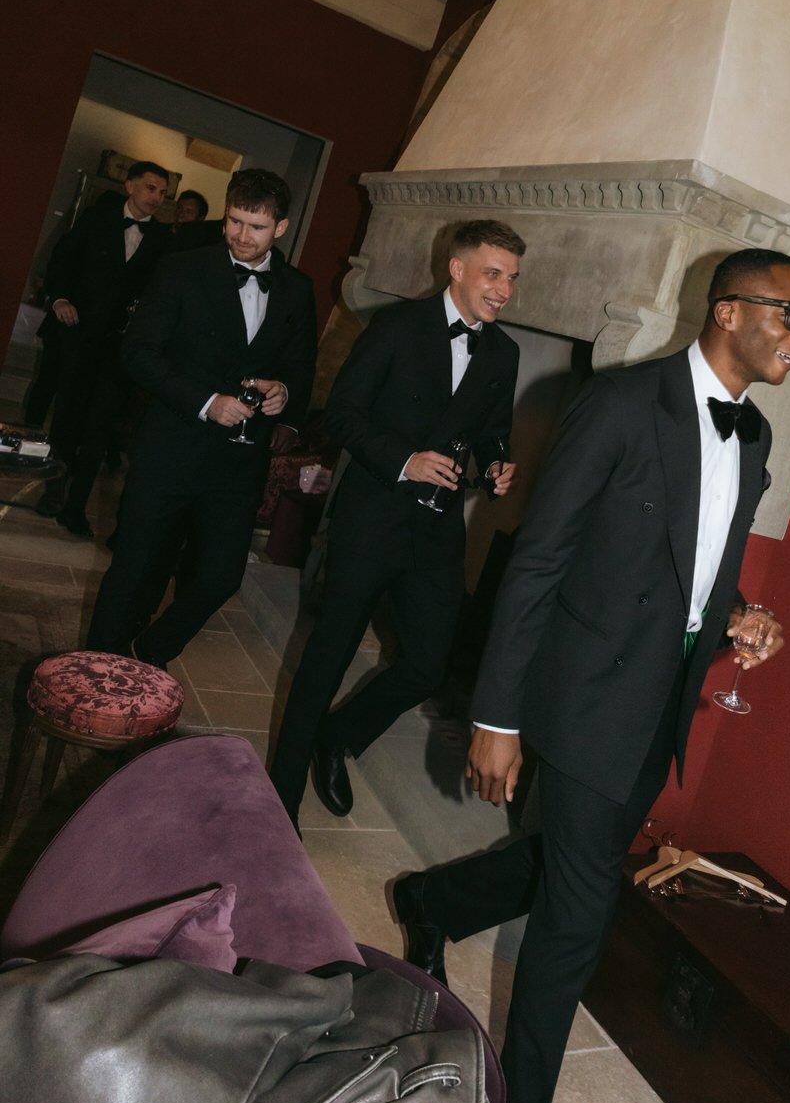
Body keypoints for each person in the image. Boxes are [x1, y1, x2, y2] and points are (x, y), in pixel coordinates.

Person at [389, 248, 790, 1103]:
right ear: (729, 310)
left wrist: (746, 615)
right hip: (584, 693)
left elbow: (708, 563)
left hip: (659, 702)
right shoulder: (624, 403)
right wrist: (497, 715)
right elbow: (539, 557)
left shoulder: (756, 436)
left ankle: (431, 899)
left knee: (566, 856)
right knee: (578, 915)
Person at [269, 219, 526, 830]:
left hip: (437, 532)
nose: (504, 291)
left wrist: (494, 466)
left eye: (512, 279)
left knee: (427, 667)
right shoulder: (397, 327)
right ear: (457, 269)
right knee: (326, 658)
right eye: (494, 275)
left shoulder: (503, 352)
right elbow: (343, 415)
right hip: (371, 518)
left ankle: (338, 737)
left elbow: (490, 432)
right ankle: (278, 805)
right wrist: (404, 461)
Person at [86, 169, 316, 666]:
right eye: (234, 221)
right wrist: (205, 401)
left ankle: (153, 650)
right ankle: (93, 678)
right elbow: (139, 353)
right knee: (133, 572)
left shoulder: (298, 289)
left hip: (237, 464)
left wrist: (285, 395)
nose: (241, 235)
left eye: (256, 227)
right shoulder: (182, 268)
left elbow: (300, 369)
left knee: (219, 576)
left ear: (281, 228)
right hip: (171, 446)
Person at [37, 163, 171, 536]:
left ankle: (76, 507)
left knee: (100, 426)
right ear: (130, 186)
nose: (157, 198)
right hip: (79, 336)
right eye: (150, 188)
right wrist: (61, 297)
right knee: (67, 417)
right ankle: (53, 491)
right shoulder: (97, 218)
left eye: (163, 192)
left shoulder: (163, 239)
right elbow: (63, 260)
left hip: (121, 349)